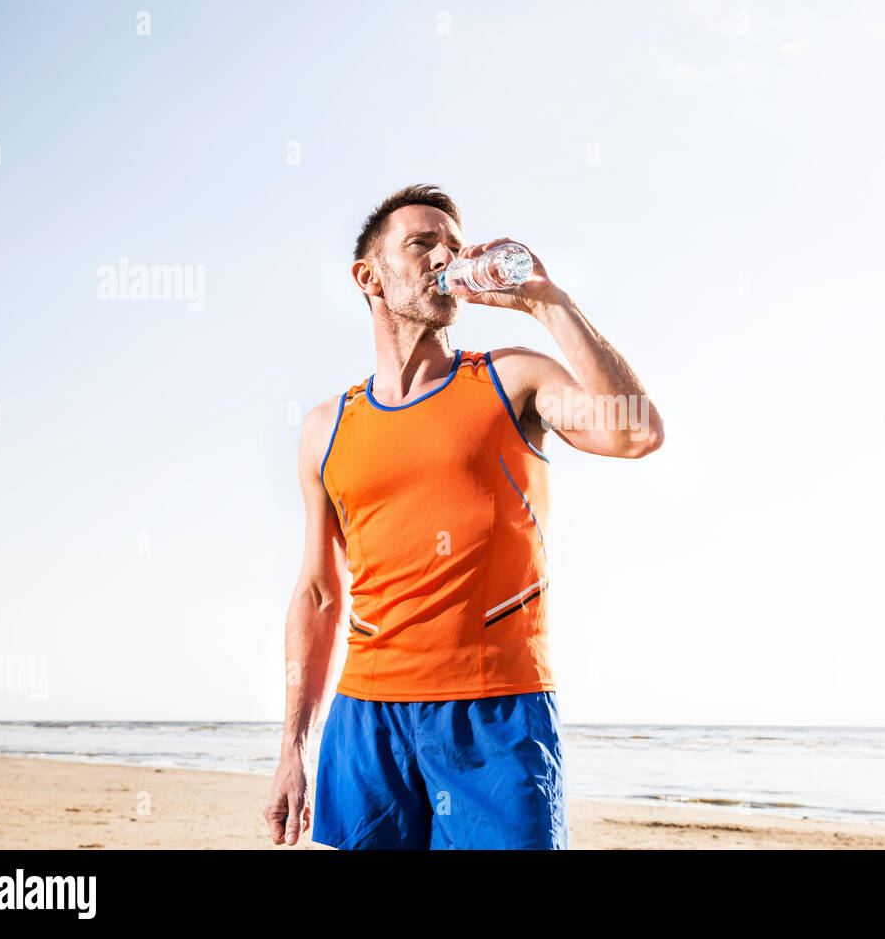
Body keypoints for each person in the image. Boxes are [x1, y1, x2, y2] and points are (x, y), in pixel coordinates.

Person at [263, 184, 665, 849]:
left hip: (497, 716)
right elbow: (318, 593)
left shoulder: (513, 380)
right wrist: (294, 748)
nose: (444, 256)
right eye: (422, 243)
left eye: (453, 244)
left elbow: (636, 433)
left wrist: (547, 301)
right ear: (369, 276)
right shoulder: (325, 427)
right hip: (365, 721)